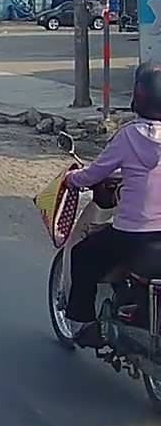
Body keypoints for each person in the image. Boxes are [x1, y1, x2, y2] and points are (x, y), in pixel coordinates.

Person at [64, 63, 161, 347]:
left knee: (83, 254)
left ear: (138, 97)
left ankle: (85, 324)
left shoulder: (128, 135)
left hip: (134, 236)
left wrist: (72, 179)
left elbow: (95, 173)